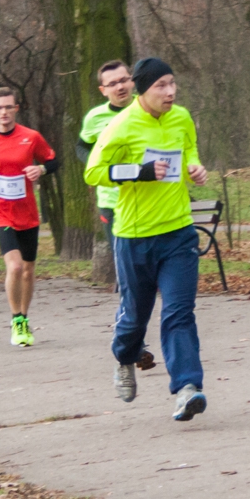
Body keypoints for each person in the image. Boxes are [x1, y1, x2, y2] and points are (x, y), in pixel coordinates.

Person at [86, 57, 209, 420]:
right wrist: (137, 172)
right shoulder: (121, 126)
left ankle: (187, 388)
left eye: (172, 84)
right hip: (134, 237)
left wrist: (194, 169)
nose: (170, 92)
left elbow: (189, 153)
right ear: (143, 89)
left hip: (178, 231)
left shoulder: (182, 118)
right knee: (135, 318)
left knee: (178, 312)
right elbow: (93, 172)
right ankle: (124, 355)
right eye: (161, 86)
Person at [0, 87, 58, 346]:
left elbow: (53, 161)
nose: (4, 112)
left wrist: (40, 169)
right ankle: (16, 320)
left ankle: (25, 317)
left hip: (27, 213)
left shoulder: (31, 137)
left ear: (16, 109)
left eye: (9, 107)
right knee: (15, 266)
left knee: (28, 271)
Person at [78, 59, 137, 282]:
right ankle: (131, 311)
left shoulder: (147, 108)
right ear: (103, 90)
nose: (120, 87)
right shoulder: (95, 118)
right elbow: (81, 146)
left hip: (146, 198)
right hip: (111, 201)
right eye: (112, 84)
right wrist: (95, 166)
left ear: (132, 81)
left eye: (123, 80)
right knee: (124, 262)